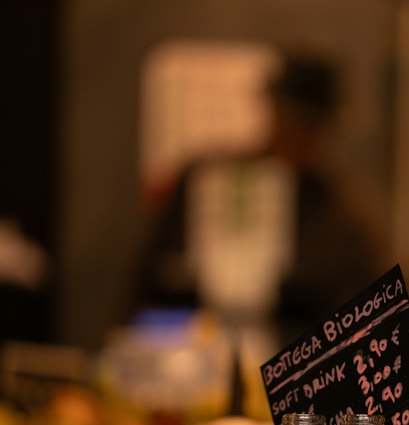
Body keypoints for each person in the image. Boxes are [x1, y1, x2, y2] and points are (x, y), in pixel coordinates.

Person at [133, 52, 389, 345]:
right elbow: (148, 289)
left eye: (308, 127)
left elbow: (370, 318)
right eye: (290, 120)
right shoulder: (206, 185)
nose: (296, 137)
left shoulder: (343, 219)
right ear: (273, 112)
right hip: (195, 365)